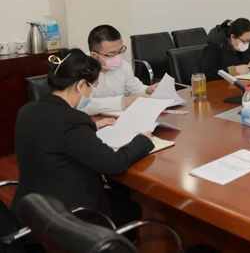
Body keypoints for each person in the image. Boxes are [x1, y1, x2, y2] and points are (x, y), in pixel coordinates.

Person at [12, 48, 154, 228]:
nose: (92, 92)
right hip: (71, 217)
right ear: (80, 85)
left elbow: (52, 135)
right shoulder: (72, 121)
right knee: (129, 205)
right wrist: (143, 140)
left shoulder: (27, 110)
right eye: (92, 86)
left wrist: (91, 126)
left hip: (33, 208)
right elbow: (114, 164)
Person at [83, 25, 158, 116]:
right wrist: (124, 101)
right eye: (111, 54)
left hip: (120, 117)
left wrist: (148, 90)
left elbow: (135, 88)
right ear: (94, 56)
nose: (117, 57)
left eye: (120, 51)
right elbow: (81, 105)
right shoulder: (80, 69)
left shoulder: (123, 65)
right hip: (91, 120)